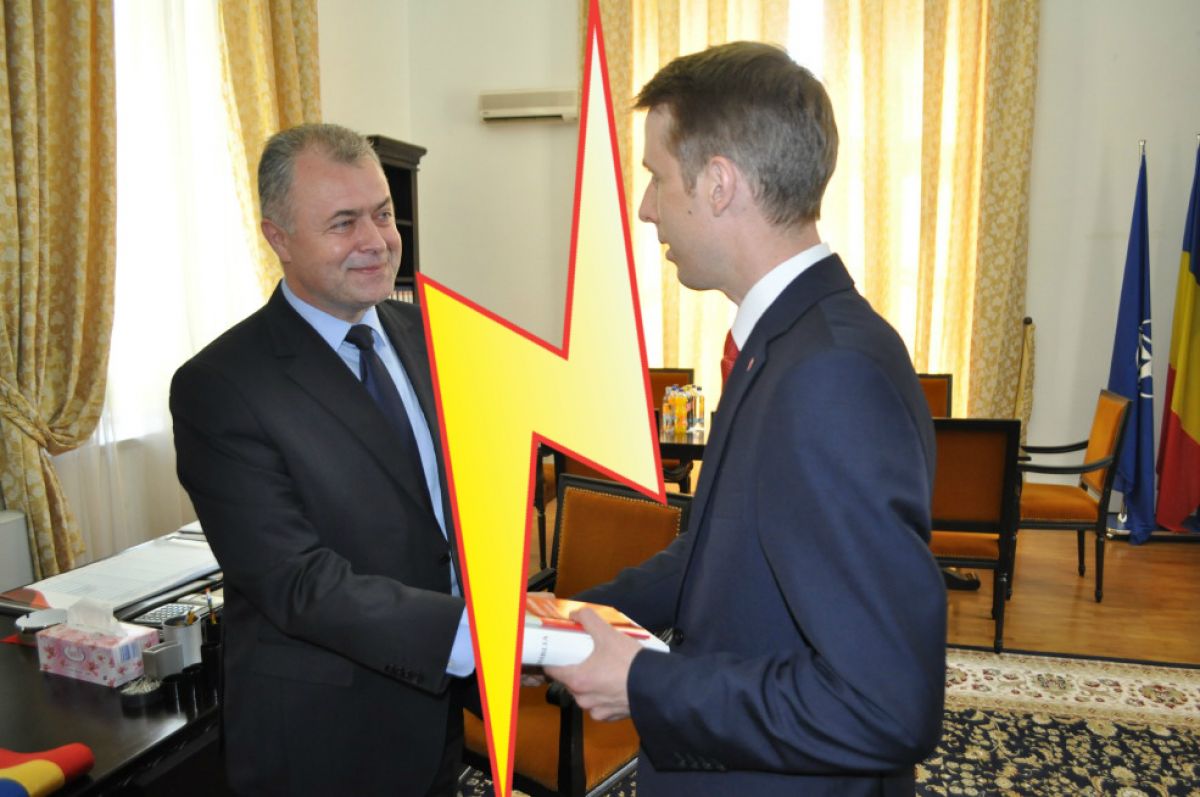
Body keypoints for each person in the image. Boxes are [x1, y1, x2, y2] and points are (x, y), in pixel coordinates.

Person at [544, 42, 946, 796]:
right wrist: (577, 612)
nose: (646, 207)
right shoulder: (786, 342)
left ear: (719, 183)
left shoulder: (828, 375)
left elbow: (885, 705)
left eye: (657, 177)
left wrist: (642, 682)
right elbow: (720, 549)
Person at [170, 123, 474, 797]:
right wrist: (468, 637)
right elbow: (295, 580)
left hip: (437, 711)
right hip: (325, 735)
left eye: (382, 214)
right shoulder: (221, 386)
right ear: (278, 237)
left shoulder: (426, 331)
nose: (377, 240)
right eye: (343, 222)